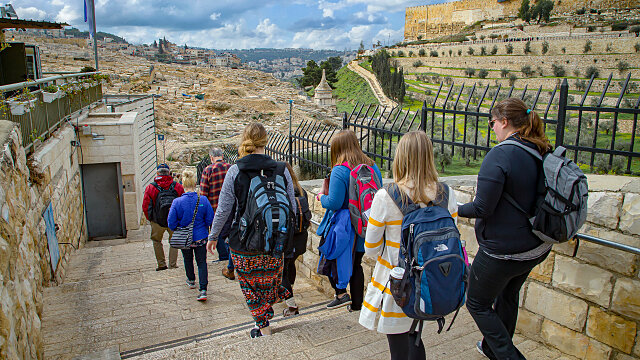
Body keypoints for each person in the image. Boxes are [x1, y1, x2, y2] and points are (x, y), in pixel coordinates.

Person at [458, 98, 552, 359]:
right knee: (508, 295)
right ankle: (491, 349)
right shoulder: (540, 148)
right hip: (537, 245)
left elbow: (482, 208)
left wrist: (452, 209)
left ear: (504, 122)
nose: (492, 129)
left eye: (492, 123)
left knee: (477, 302)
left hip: (505, 251)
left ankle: (508, 356)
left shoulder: (500, 154)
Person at [359, 131, 458, 360]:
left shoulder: (386, 196)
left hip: (398, 283)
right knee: (415, 336)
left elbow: (371, 249)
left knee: (399, 349)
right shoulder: (446, 193)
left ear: (401, 157)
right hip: (431, 281)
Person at [206, 122, 298, 338]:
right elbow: (291, 208)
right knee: (269, 282)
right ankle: (271, 310)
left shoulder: (235, 171)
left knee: (250, 288)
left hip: (244, 243)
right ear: (266, 141)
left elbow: (223, 210)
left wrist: (213, 236)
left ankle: (265, 330)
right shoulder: (282, 169)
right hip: (275, 241)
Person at [317, 129, 382, 311]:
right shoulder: (372, 166)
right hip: (366, 224)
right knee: (357, 264)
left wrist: (321, 196)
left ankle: (341, 294)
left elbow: (335, 202)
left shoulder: (340, 170)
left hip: (345, 227)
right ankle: (357, 305)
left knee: (332, 258)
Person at [168, 169, 214, 301]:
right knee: (201, 262)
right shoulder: (203, 200)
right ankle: (203, 289)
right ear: (195, 183)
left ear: (183, 183)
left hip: (185, 237)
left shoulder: (177, 202)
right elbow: (210, 219)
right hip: (200, 237)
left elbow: (171, 223)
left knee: (187, 259)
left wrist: (180, 227)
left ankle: (191, 280)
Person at [199, 147, 235, 280]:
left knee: (218, 234)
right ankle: (230, 258)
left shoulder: (208, 170)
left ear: (211, 157)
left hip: (215, 210)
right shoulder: (231, 168)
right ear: (222, 156)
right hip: (232, 209)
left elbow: (203, 195)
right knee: (231, 233)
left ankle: (224, 257)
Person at [280, 162, 311, 317]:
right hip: (301, 238)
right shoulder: (301, 190)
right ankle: (288, 291)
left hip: (287, 239)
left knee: (281, 272)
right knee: (290, 265)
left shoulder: (283, 192)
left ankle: (292, 305)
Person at [142, 164, 184, 271]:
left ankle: (161, 264)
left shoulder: (151, 187)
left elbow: (146, 206)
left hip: (157, 221)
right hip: (173, 220)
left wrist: (151, 219)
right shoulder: (177, 186)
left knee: (156, 241)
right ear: (169, 173)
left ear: (157, 173)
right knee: (174, 241)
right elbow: (182, 203)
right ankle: (173, 264)